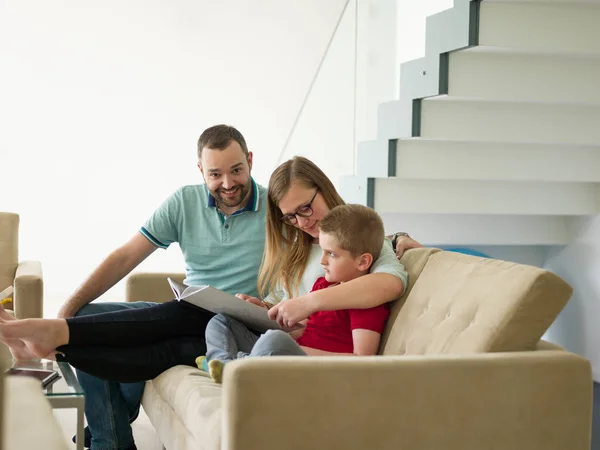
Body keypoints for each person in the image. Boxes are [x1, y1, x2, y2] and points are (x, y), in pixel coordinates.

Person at [0, 154, 419, 450]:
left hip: (278, 344)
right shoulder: (296, 241)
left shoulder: (361, 242)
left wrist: (397, 242)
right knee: (158, 326)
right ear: (201, 170)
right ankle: (60, 344)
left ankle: (57, 341)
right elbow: (283, 297)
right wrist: (261, 303)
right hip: (260, 328)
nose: (303, 221)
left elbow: (381, 285)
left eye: (306, 208)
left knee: (171, 334)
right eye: (291, 216)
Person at [199, 203, 391, 384]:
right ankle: (226, 365)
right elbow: (305, 328)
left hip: (312, 367)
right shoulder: (322, 285)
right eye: (322, 251)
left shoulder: (366, 303)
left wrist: (295, 350)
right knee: (222, 320)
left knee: (274, 340)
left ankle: (239, 363)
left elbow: (362, 360)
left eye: (331, 254)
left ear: (363, 262)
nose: (322, 261)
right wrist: (267, 318)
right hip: (287, 354)